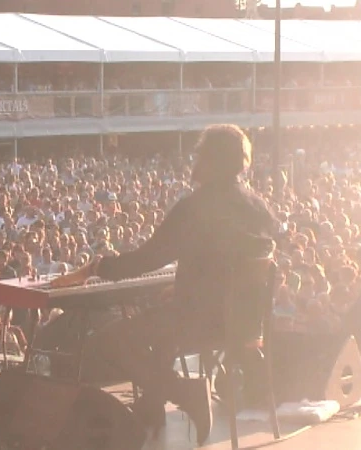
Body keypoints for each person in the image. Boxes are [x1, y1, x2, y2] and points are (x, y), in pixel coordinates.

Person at [50, 124, 279, 445]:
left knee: (110, 341)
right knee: (159, 324)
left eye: (199, 154)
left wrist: (94, 267)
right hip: (240, 324)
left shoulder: (195, 207)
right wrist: (188, 286)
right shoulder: (259, 207)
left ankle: (186, 393)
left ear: (211, 160)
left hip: (201, 321)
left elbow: (146, 260)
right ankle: (151, 407)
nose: (194, 160)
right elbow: (232, 262)